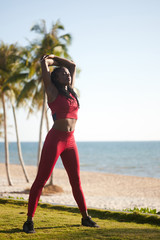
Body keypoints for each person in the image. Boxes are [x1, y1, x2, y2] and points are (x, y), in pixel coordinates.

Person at [23, 54, 99, 233]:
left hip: (71, 140)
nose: (68, 75)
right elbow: (44, 63)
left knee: (76, 181)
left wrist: (56, 58)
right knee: (41, 180)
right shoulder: (52, 90)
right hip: (55, 139)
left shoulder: (70, 91)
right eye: (63, 74)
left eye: (68, 74)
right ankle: (29, 221)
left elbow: (72, 65)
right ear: (55, 78)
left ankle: (85, 217)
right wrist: (50, 61)